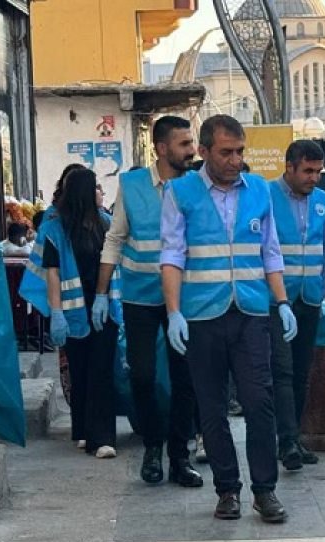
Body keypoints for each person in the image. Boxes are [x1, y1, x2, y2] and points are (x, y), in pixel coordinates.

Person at [160, 114, 295, 524]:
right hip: (202, 316)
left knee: (259, 402)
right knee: (212, 407)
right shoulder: (180, 192)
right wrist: (173, 312)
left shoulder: (258, 190)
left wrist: (282, 301)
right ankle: (227, 490)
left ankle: (265, 491)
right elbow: (171, 255)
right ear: (203, 152)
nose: (236, 160)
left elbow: (270, 251)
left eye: (240, 151)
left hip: (252, 312)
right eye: (227, 152)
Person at [95, 116, 203, 487]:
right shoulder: (132, 184)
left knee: (185, 378)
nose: (192, 150)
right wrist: (101, 293)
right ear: (161, 148)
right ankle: (152, 448)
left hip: (186, 299)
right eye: (185, 144)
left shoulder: (197, 186)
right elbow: (116, 238)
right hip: (140, 297)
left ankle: (179, 456)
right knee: (141, 375)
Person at [39, 169, 120, 458]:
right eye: (95, 187)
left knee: (100, 372)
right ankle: (84, 430)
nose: (100, 191)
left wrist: (106, 300)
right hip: (73, 311)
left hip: (103, 308)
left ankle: (103, 438)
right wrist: (56, 312)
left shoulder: (106, 224)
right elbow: (52, 272)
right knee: (80, 370)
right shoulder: (55, 229)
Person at [270, 140, 325, 471]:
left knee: (300, 372)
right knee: (280, 371)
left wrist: (322, 289)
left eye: (318, 171)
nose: (314, 178)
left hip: (309, 299)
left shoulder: (323, 202)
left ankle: (294, 436)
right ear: (290, 167)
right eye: (308, 171)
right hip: (277, 301)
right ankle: (285, 440)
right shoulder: (266, 197)